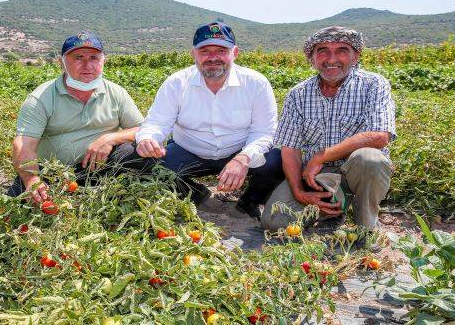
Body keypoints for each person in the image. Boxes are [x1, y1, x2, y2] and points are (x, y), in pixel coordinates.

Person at [135, 22, 284, 219]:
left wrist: (244, 158)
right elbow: (157, 122)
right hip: (189, 152)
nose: (213, 57)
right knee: (142, 160)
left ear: (235, 52)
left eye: (221, 50)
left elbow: (264, 132)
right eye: (204, 50)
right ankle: (194, 194)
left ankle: (250, 202)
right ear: (193, 54)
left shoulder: (256, 83)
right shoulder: (177, 83)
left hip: (238, 151)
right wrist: (147, 139)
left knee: (276, 160)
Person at [262, 26, 396, 232]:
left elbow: (379, 136)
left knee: (370, 159)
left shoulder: (373, 84)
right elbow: (290, 150)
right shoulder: (298, 94)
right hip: (315, 177)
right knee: (275, 222)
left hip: (355, 171)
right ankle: (332, 211)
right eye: (322, 50)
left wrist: (320, 157)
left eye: (342, 50)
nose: (331, 58)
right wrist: (299, 192)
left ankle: (365, 227)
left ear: (355, 56)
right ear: (312, 58)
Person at [8, 31, 144, 203]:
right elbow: (24, 144)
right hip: (53, 173)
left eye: (94, 58)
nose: (87, 65)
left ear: (103, 61)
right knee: (21, 203)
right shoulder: (41, 97)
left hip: (102, 167)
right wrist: (32, 180)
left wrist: (111, 138)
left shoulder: (116, 93)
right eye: (79, 58)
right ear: (62, 63)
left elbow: (143, 129)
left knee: (139, 152)